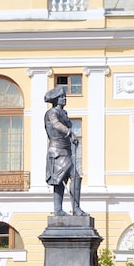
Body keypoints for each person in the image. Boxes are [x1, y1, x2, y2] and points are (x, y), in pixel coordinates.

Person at [44, 86, 87, 216]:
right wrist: (70, 133)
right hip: (57, 150)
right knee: (61, 179)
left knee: (74, 177)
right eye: (62, 97)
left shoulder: (64, 113)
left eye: (64, 96)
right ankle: (61, 210)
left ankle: (74, 209)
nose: (64, 98)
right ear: (56, 99)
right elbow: (56, 125)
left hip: (66, 150)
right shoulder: (52, 112)